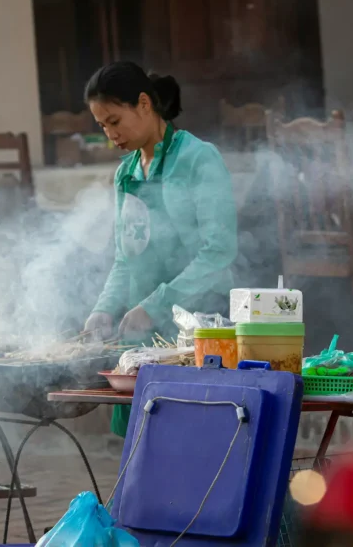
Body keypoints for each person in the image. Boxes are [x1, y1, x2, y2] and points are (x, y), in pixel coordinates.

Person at [82, 61, 238, 436]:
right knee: (144, 442)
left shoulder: (198, 158)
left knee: (193, 437)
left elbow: (219, 252)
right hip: (144, 333)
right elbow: (125, 257)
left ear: (144, 104)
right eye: (102, 126)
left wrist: (156, 305)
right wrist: (104, 308)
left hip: (200, 327)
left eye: (115, 121)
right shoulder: (126, 173)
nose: (110, 135)